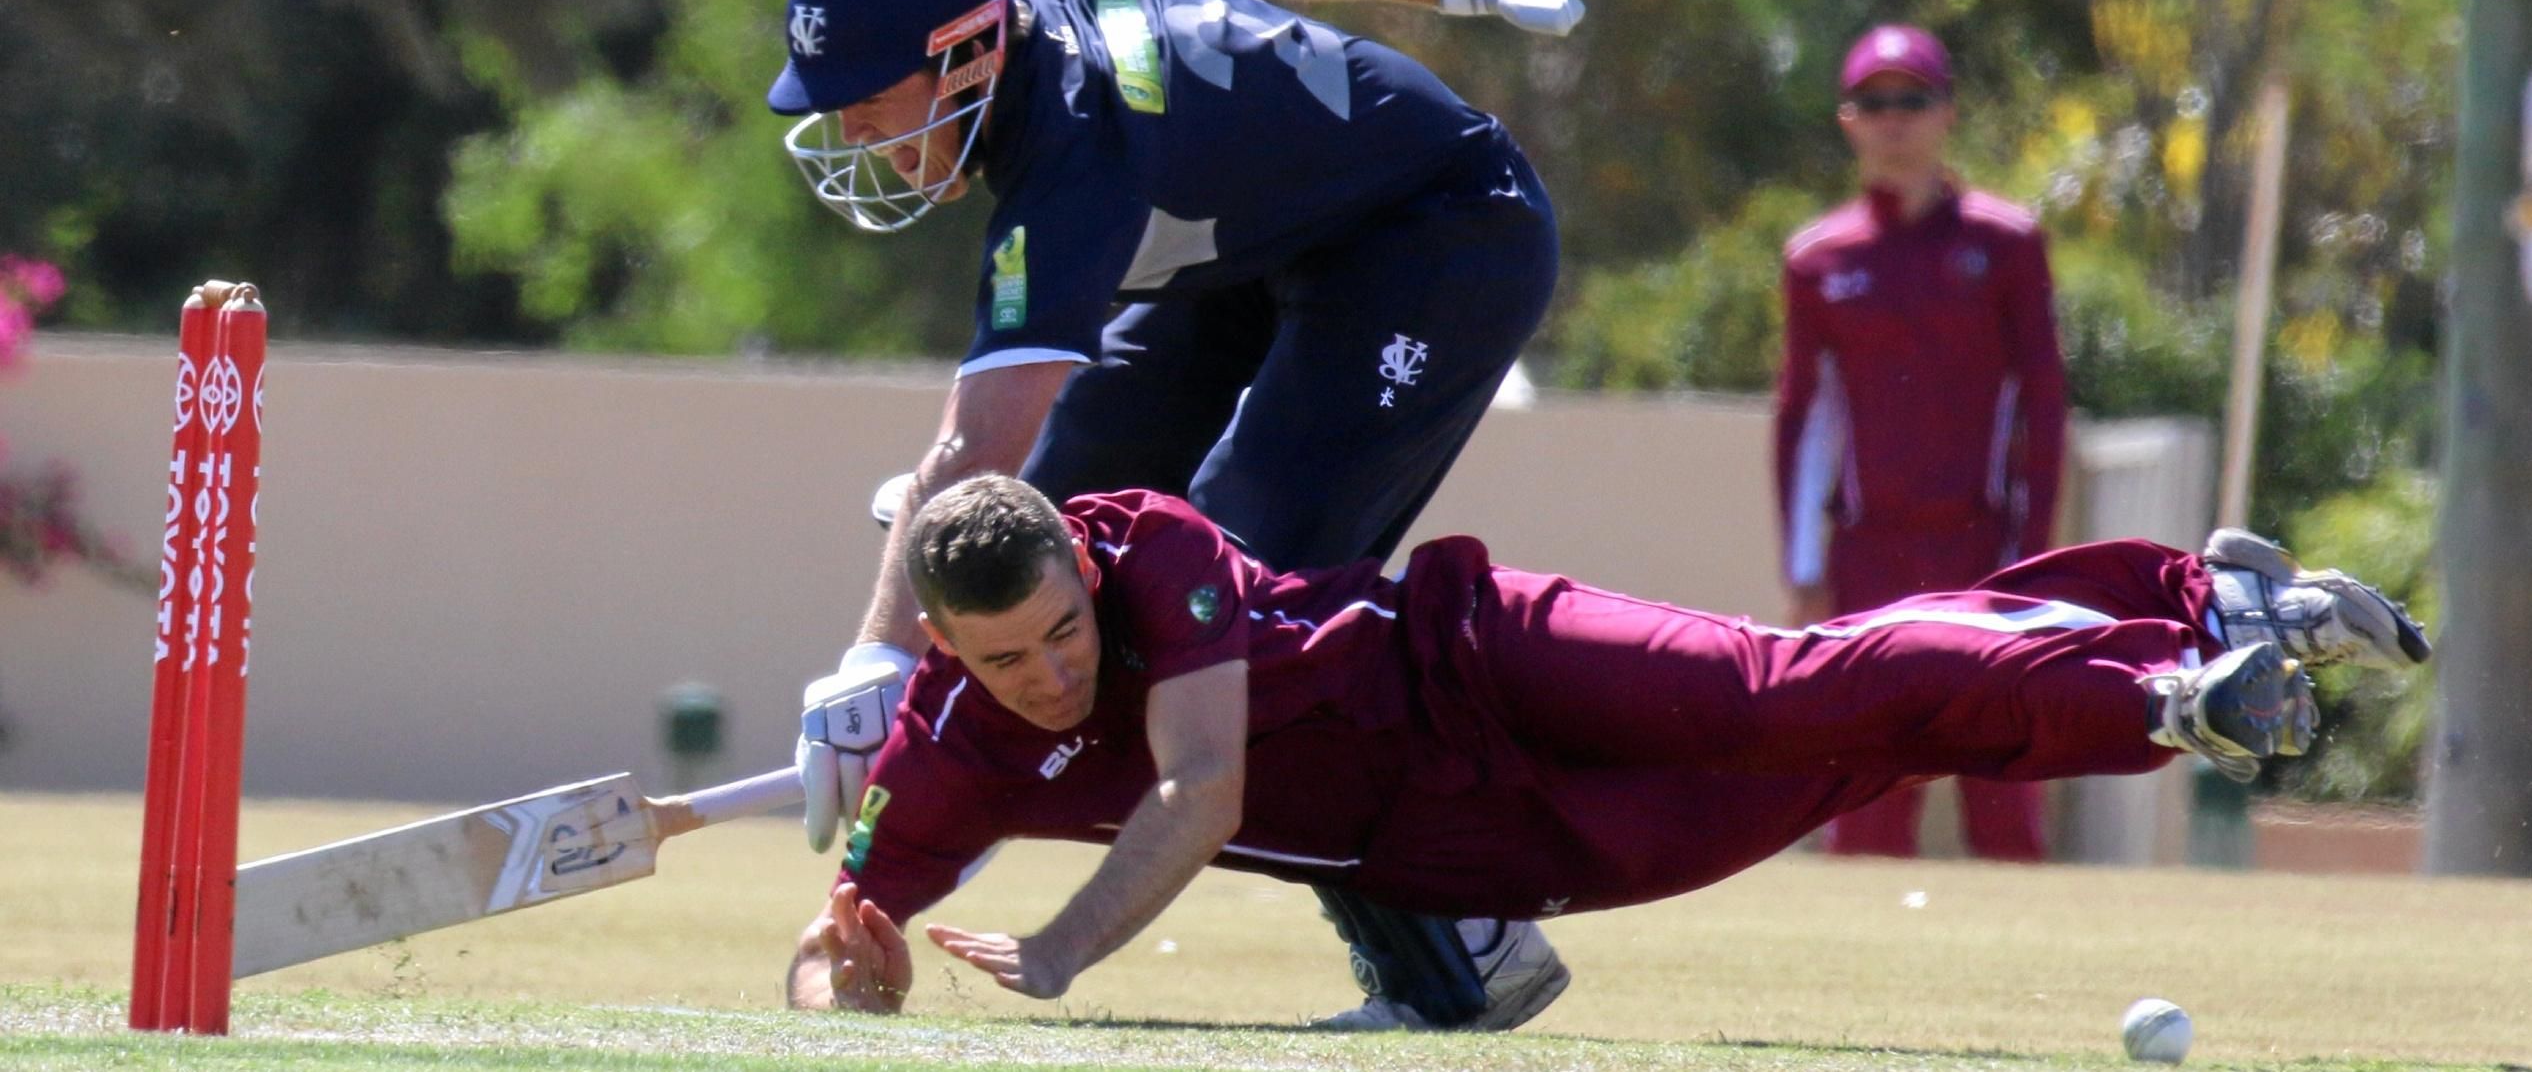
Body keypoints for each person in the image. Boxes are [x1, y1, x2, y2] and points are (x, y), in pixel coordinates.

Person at [771, 0, 1629, 1029]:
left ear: (970, 56)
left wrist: (877, 657)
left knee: (1216, 601)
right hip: (1260, 258)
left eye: (869, 98)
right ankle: (899, 875)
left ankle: (1462, 944)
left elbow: (971, 442)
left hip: (1437, 239)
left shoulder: (1070, 144)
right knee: (1038, 538)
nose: (849, 129)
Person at [785, 474, 2430, 1017]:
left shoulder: (1140, 537)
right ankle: (2193, 605)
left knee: (1786, 687)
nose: (1056, 669)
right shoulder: (942, 748)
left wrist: (1066, 944)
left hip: (1484, 656)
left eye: (1063, 625)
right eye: (1007, 657)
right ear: (943, 648)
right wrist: (845, 976)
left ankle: (2166, 676)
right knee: (1840, 750)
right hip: (1481, 844)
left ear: (1079, 564)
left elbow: (1200, 782)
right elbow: (831, 940)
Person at [1775, 23, 2071, 861]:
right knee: (1866, 779)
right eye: (1875, 102)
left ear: (1946, 114)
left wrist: (2032, 557)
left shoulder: (2005, 245)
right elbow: (1802, 416)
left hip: (1981, 547)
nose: (1893, 120)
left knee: (2003, 769)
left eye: (1911, 100)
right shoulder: (1819, 259)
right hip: (1869, 555)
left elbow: (2043, 403)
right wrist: (1803, 566)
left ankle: (2028, 972)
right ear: (1848, 119)